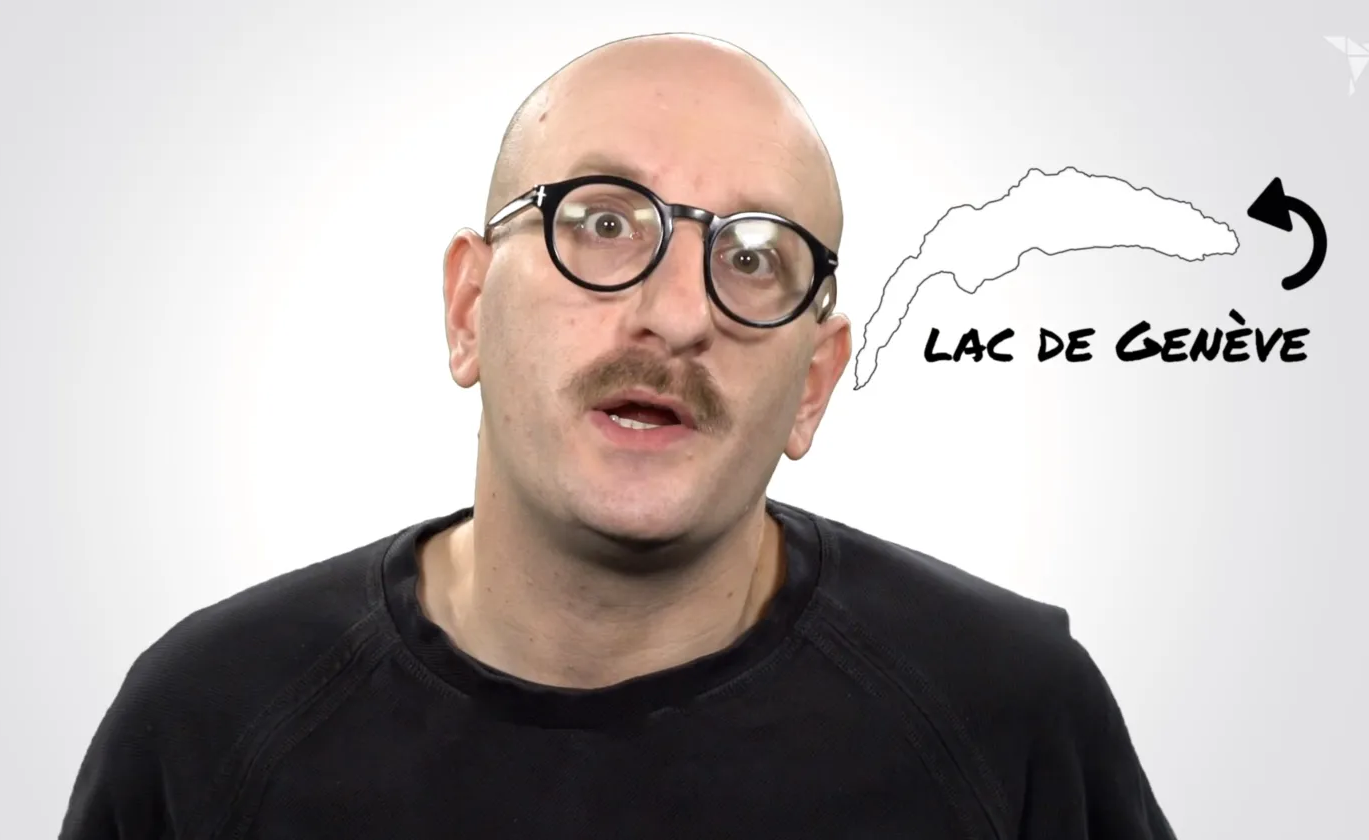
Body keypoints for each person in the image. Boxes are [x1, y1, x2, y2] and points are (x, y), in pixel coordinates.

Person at [60, 32, 1176, 839]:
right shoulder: (208, 723)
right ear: (468, 309)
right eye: (602, 222)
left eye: (753, 257)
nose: (677, 314)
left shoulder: (1008, 715)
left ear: (812, 386)